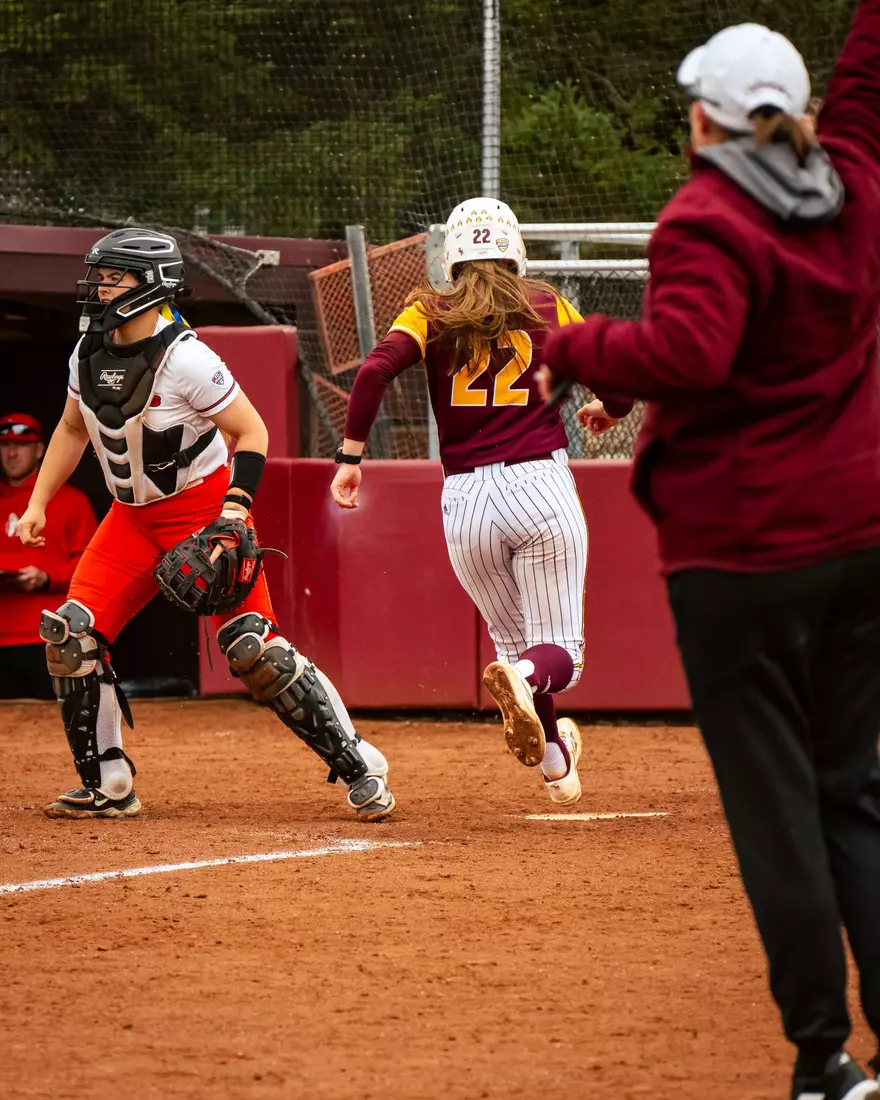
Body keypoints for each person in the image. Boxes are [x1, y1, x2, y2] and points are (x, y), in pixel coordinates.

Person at [538, 10, 880, 1100]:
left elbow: (690, 348)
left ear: (700, 123)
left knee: (775, 804)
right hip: (860, 542)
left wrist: (573, 344)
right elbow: (870, 70)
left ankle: (822, 1053)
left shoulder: (706, 215)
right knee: (852, 791)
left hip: (739, 556)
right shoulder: (856, 183)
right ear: (807, 116)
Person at [16, 227, 395, 822]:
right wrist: (38, 502)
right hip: (129, 518)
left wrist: (236, 510)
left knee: (252, 649)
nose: (99, 287)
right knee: (71, 636)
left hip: (202, 510)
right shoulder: (88, 348)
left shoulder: (186, 356)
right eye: (101, 275)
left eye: (114, 276)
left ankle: (358, 765)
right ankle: (107, 784)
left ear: (150, 285)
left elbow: (253, 432)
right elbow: (70, 428)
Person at [331, 198, 623, 804]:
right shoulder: (547, 304)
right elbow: (613, 374)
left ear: (453, 256)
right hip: (538, 486)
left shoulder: (427, 310)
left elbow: (373, 372)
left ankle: (553, 763)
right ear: (514, 249)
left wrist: (350, 460)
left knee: (520, 647)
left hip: (465, 500)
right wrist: (608, 408)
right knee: (557, 656)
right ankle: (522, 682)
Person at [0, 412, 95, 699]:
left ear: (41, 450)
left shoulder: (72, 501)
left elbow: (91, 565)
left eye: (22, 445)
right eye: (5, 446)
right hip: (2, 636)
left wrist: (47, 577)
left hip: (49, 637)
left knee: (52, 726)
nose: (12, 453)